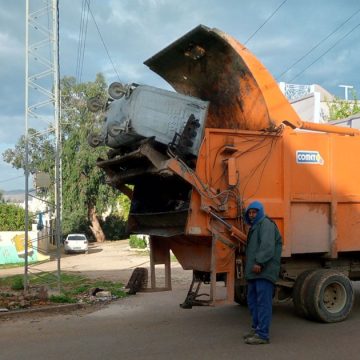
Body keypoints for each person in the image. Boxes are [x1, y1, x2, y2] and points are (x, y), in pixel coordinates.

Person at [243, 201, 282, 345]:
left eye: (254, 212)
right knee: (252, 301)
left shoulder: (266, 224)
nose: (252, 215)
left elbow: (267, 246)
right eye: (250, 213)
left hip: (263, 270)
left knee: (263, 302)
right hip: (254, 272)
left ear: (260, 212)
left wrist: (259, 262)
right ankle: (256, 329)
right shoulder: (255, 227)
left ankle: (263, 334)